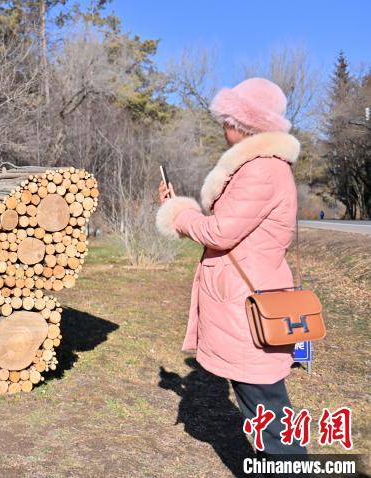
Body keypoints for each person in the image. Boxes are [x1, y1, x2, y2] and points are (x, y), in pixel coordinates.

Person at [155, 77, 306, 455]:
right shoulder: (259, 167)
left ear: (244, 124)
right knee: (261, 408)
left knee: (270, 417)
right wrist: (182, 206)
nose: (223, 127)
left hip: (249, 307)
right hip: (246, 300)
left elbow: (220, 232)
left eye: (227, 119)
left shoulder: (262, 169)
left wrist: (177, 214)